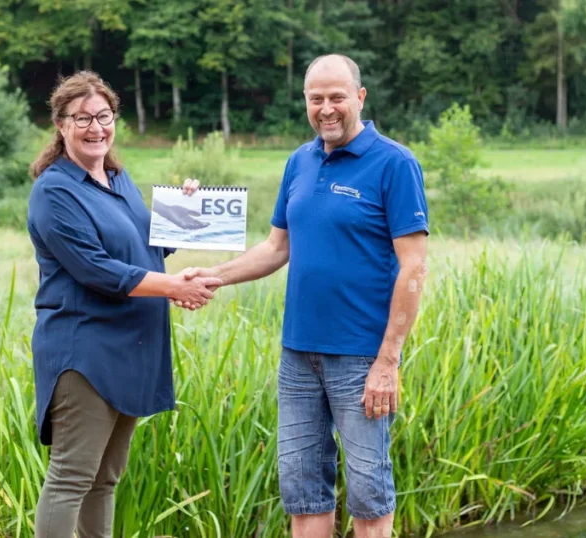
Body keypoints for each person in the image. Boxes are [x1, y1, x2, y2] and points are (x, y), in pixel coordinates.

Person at [181, 54, 429, 538]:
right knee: (303, 492)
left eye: (337, 97)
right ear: (306, 102)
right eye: (316, 99)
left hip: (361, 358)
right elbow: (277, 247)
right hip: (298, 357)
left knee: (368, 495)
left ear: (359, 97)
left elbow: (414, 267)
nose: (327, 109)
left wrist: (388, 361)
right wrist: (213, 275)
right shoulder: (300, 160)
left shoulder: (394, 163)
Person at [25, 71, 221, 538]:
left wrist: (187, 206)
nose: (96, 128)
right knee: (72, 478)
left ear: (115, 118)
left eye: (104, 116)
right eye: (83, 118)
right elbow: (97, 270)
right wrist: (175, 287)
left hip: (132, 348)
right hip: (85, 353)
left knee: (105, 480)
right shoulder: (54, 191)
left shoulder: (116, 177)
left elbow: (147, 243)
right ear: (61, 124)